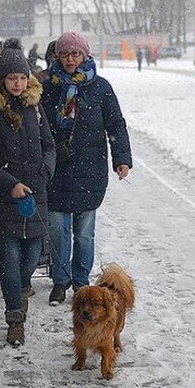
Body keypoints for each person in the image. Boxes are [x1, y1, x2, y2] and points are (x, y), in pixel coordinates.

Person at [0, 39, 55, 347]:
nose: (18, 83)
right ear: (2, 80)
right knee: (9, 257)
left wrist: (45, 171)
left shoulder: (36, 108)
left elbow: (49, 146)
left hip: (35, 194)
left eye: (22, 78)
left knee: (32, 256)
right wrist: (10, 183)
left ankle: (19, 292)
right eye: (11, 78)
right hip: (2, 198)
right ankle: (15, 317)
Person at [42, 31, 132, 305]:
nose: (70, 60)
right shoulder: (46, 87)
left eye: (75, 54)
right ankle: (60, 280)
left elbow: (116, 124)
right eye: (65, 54)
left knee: (83, 232)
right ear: (57, 55)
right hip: (56, 169)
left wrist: (122, 158)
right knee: (58, 231)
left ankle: (81, 281)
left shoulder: (101, 87)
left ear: (85, 55)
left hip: (89, 170)